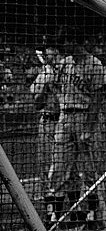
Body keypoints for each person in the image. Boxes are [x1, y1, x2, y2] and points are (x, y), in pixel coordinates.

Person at [45, 31, 106, 230]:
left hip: (85, 116)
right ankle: (53, 216)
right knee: (59, 165)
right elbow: (55, 85)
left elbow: (98, 98)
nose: (64, 46)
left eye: (67, 42)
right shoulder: (66, 63)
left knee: (89, 168)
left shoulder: (95, 64)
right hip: (65, 116)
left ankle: (92, 216)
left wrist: (89, 128)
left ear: (76, 41)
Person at [30, 44, 60, 176]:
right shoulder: (43, 76)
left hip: (64, 120)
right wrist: (45, 88)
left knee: (65, 162)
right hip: (47, 121)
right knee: (45, 161)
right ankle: (47, 194)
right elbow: (37, 104)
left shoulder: (66, 70)